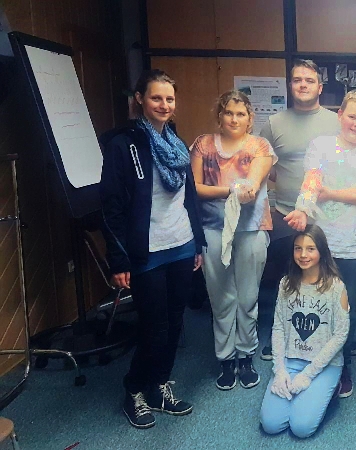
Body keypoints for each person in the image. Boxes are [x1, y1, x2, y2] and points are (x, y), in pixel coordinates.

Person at [99, 69, 205, 429]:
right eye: (156, 97)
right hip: (146, 253)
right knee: (153, 327)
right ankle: (134, 390)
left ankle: (159, 386)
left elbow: (189, 198)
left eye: (169, 99)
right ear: (140, 100)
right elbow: (111, 206)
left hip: (182, 245)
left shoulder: (176, 142)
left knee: (175, 323)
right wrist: (118, 260)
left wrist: (198, 243)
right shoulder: (122, 145)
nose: (164, 104)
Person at [285, 89, 356, 398]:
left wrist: (331, 193)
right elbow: (311, 183)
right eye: (352, 117)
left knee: (349, 310)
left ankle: (346, 367)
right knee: (321, 308)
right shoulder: (321, 145)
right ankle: (322, 364)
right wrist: (302, 209)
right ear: (340, 115)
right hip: (322, 245)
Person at [190, 90, 276, 390]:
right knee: (221, 297)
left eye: (241, 114)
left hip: (251, 229)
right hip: (213, 229)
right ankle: (225, 359)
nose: (234, 119)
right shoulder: (203, 145)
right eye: (229, 112)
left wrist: (243, 188)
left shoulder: (260, 146)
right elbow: (194, 188)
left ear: (250, 118)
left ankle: (246, 355)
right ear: (220, 116)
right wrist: (231, 191)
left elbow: (253, 184)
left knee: (248, 297)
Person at [259, 59, 340, 362]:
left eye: (309, 80)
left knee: (325, 279)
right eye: (297, 80)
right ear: (290, 85)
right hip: (285, 214)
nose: (303, 84)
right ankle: (282, 337)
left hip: (326, 215)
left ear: (320, 87)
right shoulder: (274, 123)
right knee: (287, 280)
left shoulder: (336, 122)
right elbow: (264, 166)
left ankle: (326, 337)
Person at [259, 224, 349, 438]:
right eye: (298, 248)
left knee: (301, 428)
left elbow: (340, 335)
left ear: (321, 251)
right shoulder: (286, 284)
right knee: (271, 424)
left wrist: (308, 375)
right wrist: (279, 371)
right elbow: (279, 328)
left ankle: (331, 389)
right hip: (291, 360)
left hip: (324, 364)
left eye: (310, 248)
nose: (303, 255)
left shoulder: (336, 287)